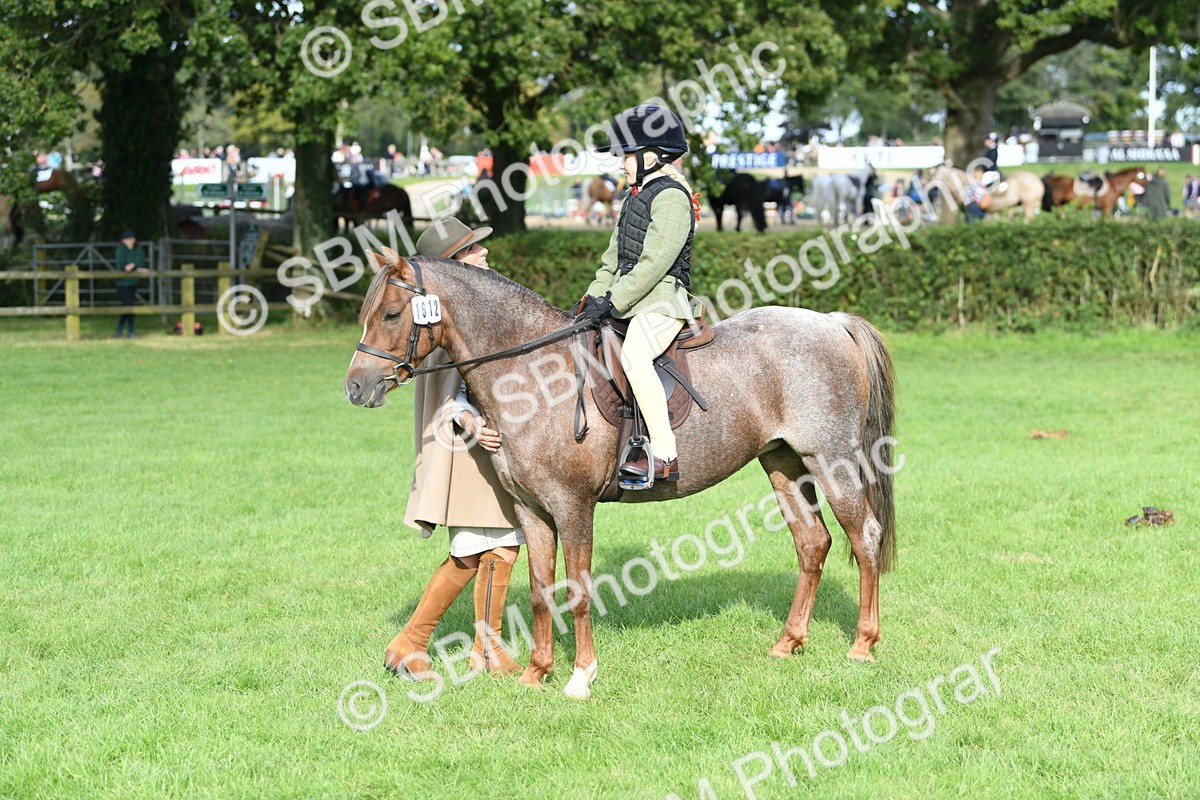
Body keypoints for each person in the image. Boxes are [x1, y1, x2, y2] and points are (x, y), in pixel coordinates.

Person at [383, 217, 525, 680]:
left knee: (504, 546)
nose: (484, 253)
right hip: (464, 449)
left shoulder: (477, 308)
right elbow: (448, 392)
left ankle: (487, 649)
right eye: (473, 250)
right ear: (453, 264)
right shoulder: (443, 316)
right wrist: (472, 423)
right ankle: (410, 643)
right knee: (469, 549)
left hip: (494, 446)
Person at [579, 103, 699, 483]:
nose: (620, 165)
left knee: (634, 355)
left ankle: (664, 454)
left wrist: (614, 301)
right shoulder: (634, 196)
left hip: (663, 300)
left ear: (652, 155)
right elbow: (611, 259)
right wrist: (592, 298)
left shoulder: (672, 197)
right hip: (631, 298)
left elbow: (654, 262)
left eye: (625, 156)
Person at [114, 230, 148, 338]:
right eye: (128, 239)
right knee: (128, 305)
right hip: (122, 282)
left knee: (129, 305)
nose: (131, 241)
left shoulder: (138, 249)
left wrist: (134, 265)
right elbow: (122, 265)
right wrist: (135, 266)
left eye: (132, 238)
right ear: (123, 240)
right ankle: (128, 330)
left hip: (133, 281)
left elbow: (141, 260)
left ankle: (122, 331)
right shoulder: (121, 250)